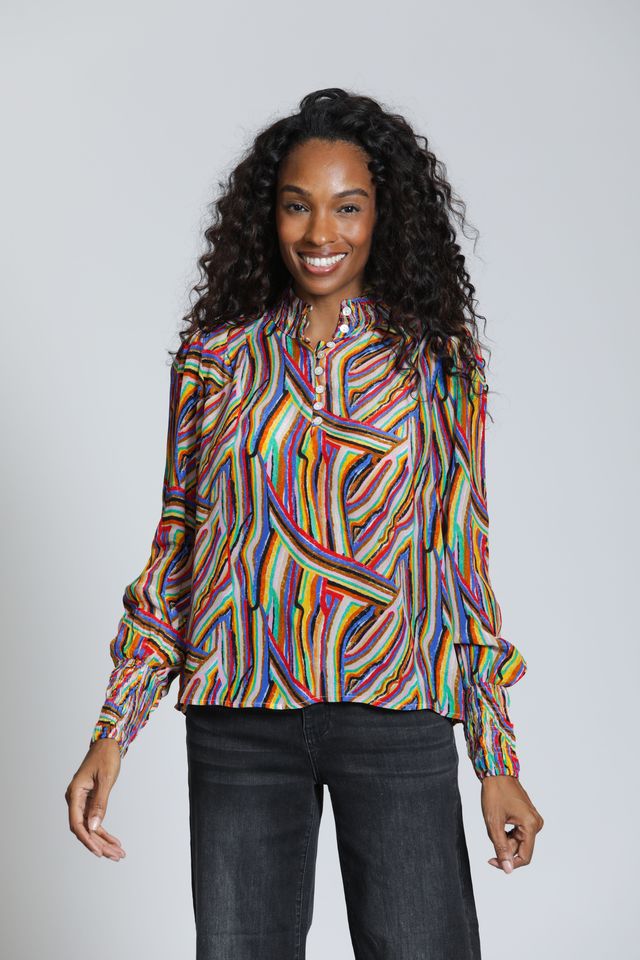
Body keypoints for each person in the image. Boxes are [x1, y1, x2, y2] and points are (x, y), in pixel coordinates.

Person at [65, 87, 543, 959]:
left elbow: (460, 566)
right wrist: (113, 730)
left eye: (347, 207)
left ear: (384, 217)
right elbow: (178, 551)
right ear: (269, 215)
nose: (322, 232)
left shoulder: (439, 366)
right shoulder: (216, 360)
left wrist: (496, 758)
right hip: (240, 717)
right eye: (298, 205)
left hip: (396, 709)